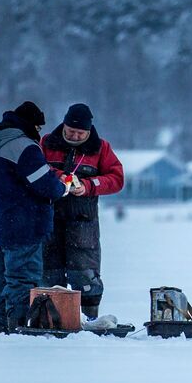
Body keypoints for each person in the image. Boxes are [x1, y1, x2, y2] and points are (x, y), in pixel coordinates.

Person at [0, 101, 71, 333]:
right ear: (32, 125)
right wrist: (63, 187)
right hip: (23, 227)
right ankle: (18, 328)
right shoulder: (25, 148)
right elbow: (45, 185)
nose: (39, 134)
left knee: (1, 279)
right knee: (23, 279)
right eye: (39, 129)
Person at [39, 103, 124, 321]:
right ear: (63, 126)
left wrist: (89, 186)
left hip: (83, 225)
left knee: (86, 277)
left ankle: (89, 321)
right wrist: (58, 176)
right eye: (70, 131)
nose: (75, 136)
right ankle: (50, 321)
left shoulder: (101, 148)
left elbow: (117, 179)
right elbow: (36, 167)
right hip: (49, 220)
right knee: (49, 275)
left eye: (80, 133)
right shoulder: (46, 143)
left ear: (89, 131)